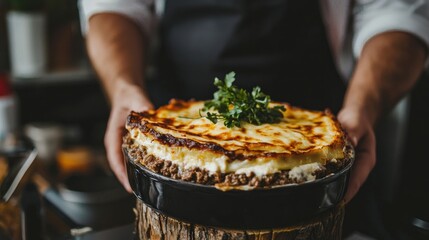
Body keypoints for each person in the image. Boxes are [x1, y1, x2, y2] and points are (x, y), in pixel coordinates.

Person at [80, 0, 428, 217]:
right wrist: (124, 86)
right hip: (177, 123)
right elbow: (115, 6)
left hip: (323, 127)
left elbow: (399, 11)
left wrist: (363, 106)